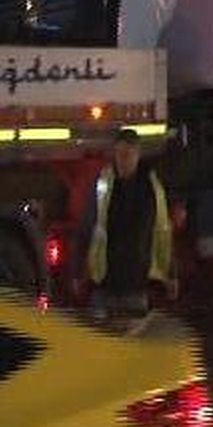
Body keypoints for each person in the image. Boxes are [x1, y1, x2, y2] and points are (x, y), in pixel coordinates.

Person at [74, 128, 176, 324]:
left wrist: (171, 274)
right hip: (105, 285)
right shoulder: (103, 185)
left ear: (137, 155)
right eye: (119, 154)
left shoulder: (152, 190)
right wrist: (78, 272)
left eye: (128, 155)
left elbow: (163, 234)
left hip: (135, 287)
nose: (123, 160)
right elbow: (86, 228)